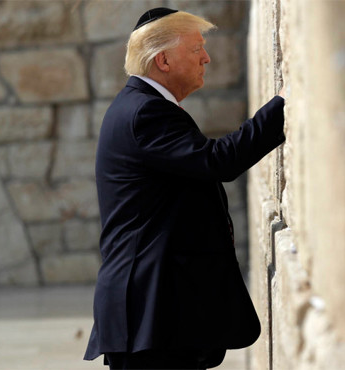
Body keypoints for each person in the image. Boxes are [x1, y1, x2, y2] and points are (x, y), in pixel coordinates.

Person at [83, 7, 285, 370]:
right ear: (163, 60)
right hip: (150, 315)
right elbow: (217, 161)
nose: (206, 57)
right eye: (196, 49)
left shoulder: (140, 107)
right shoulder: (145, 113)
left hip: (161, 316)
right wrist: (285, 105)